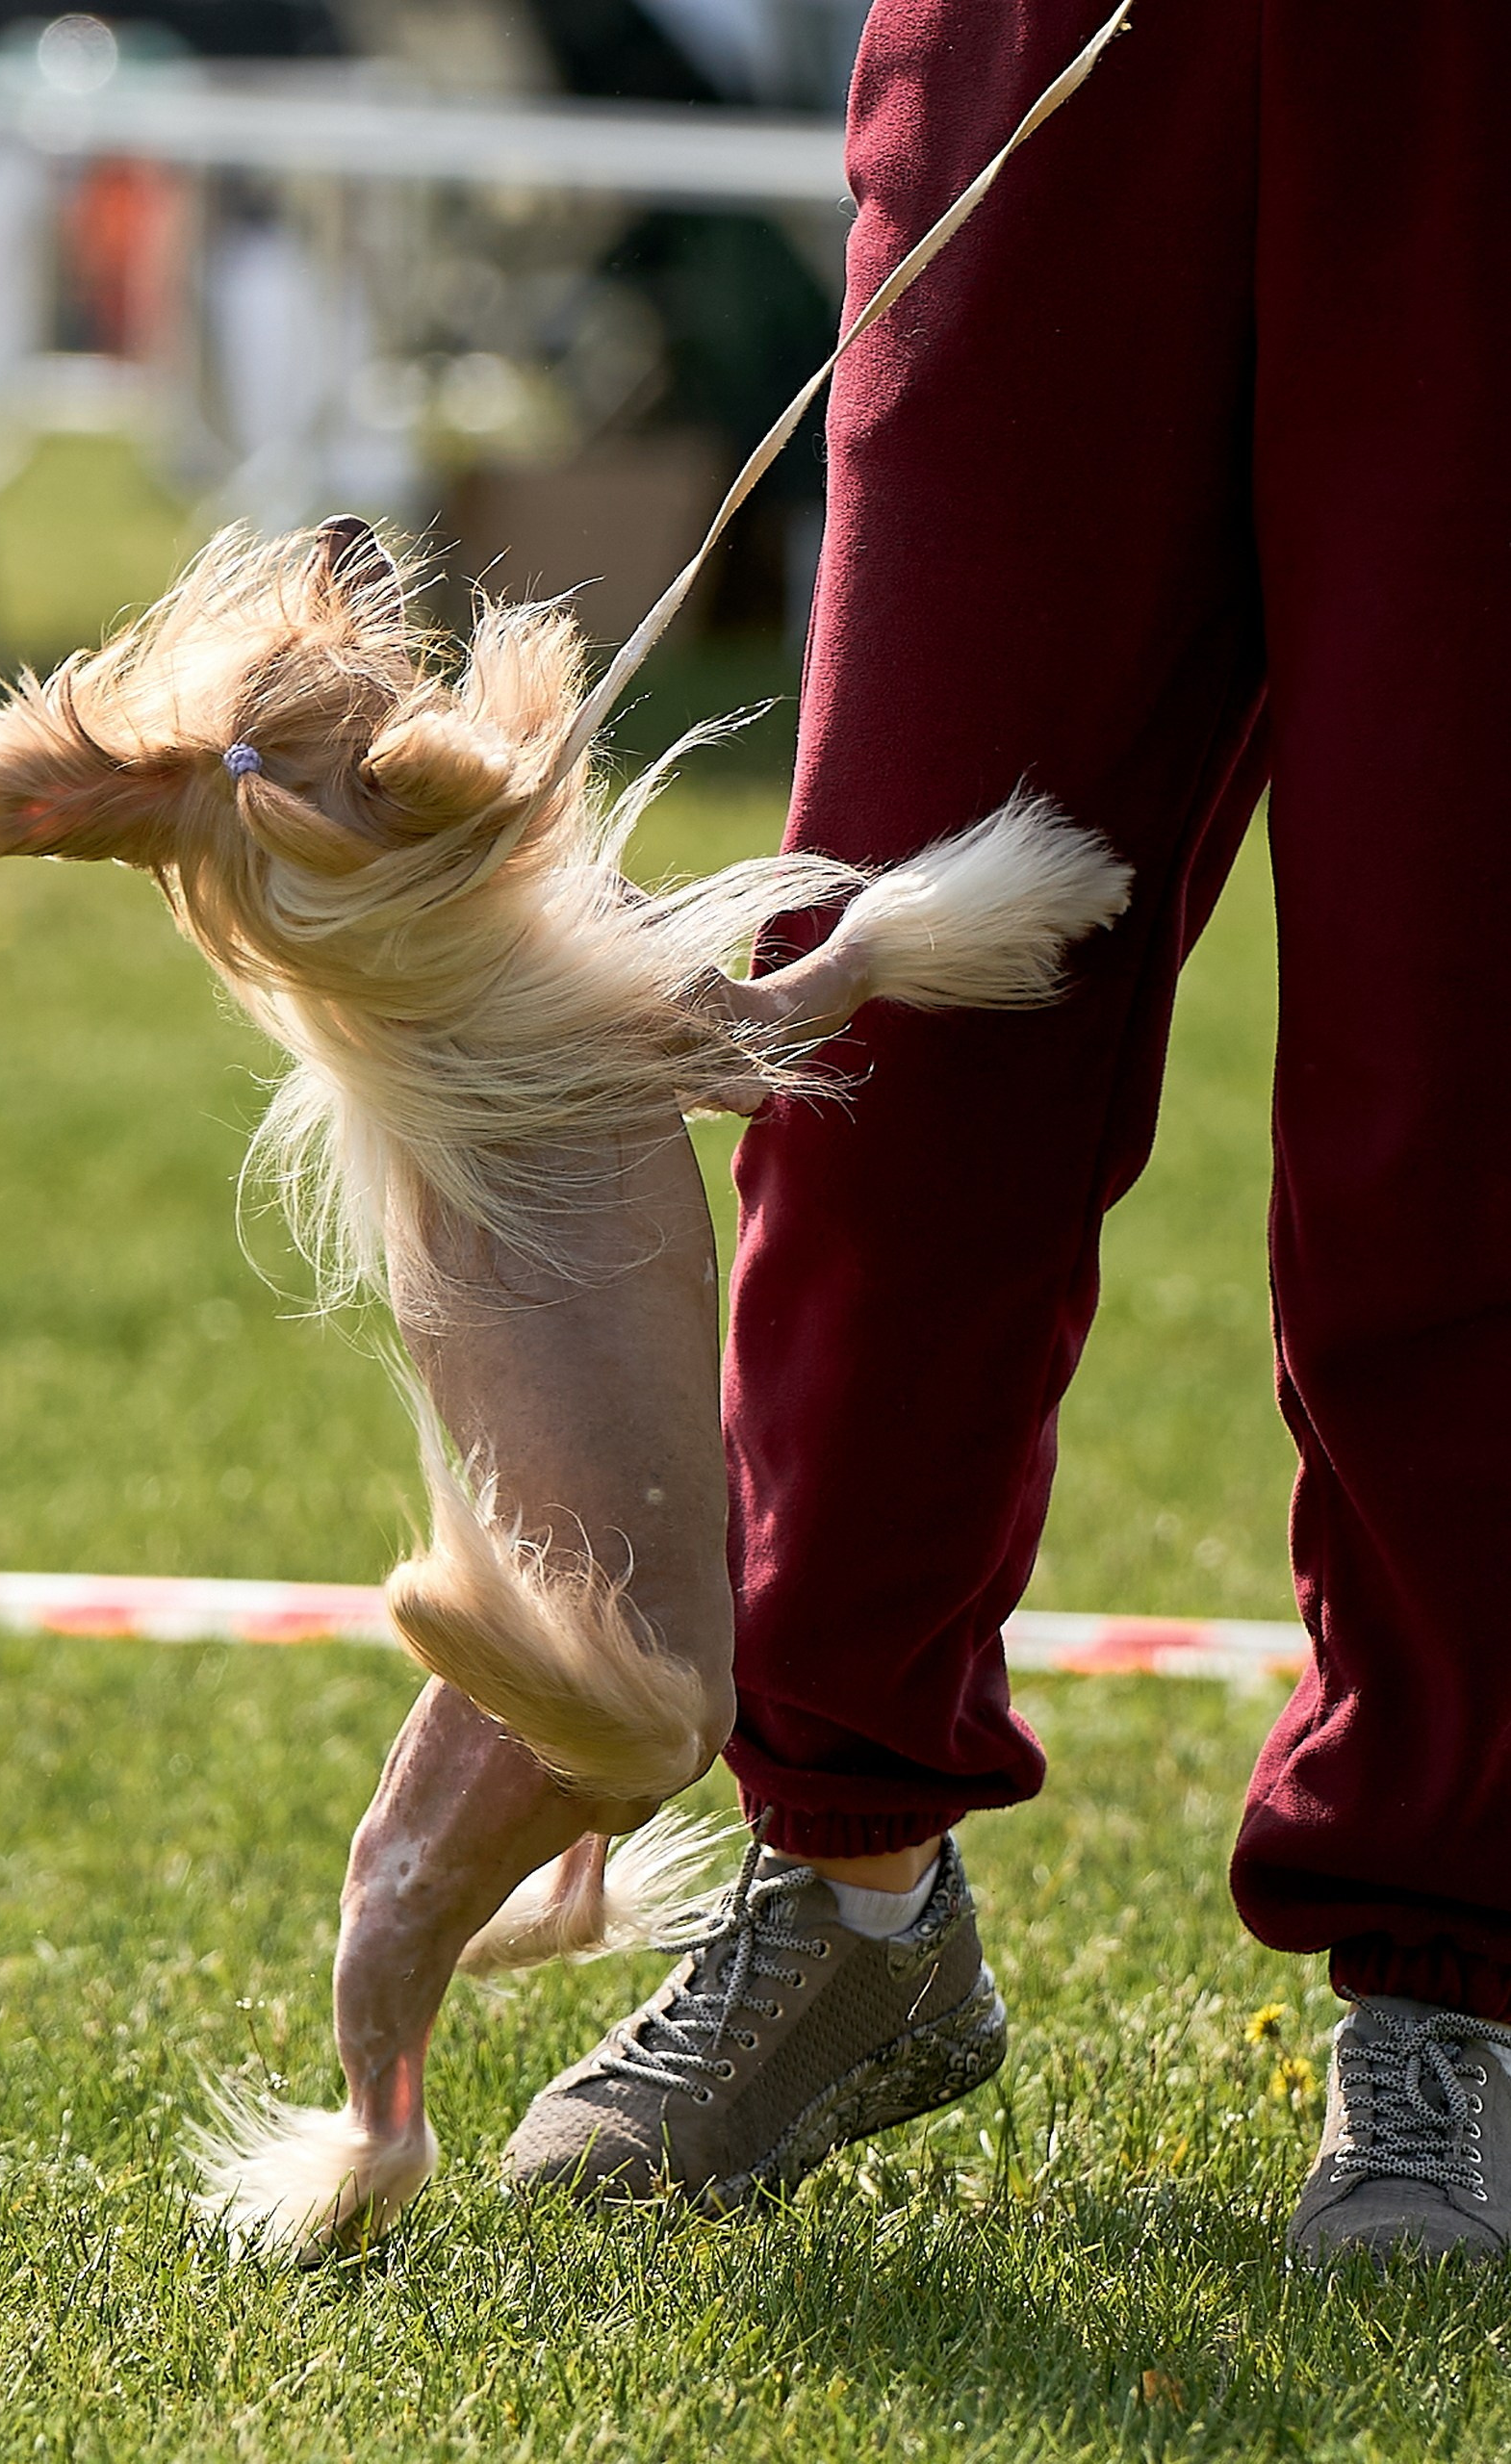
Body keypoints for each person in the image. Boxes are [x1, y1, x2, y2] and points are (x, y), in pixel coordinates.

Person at [501, 0, 1511, 2268]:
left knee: (1456, 1071)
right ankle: (843, 1877)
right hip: (1057, 64)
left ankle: (1458, 1976)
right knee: (882, 998)